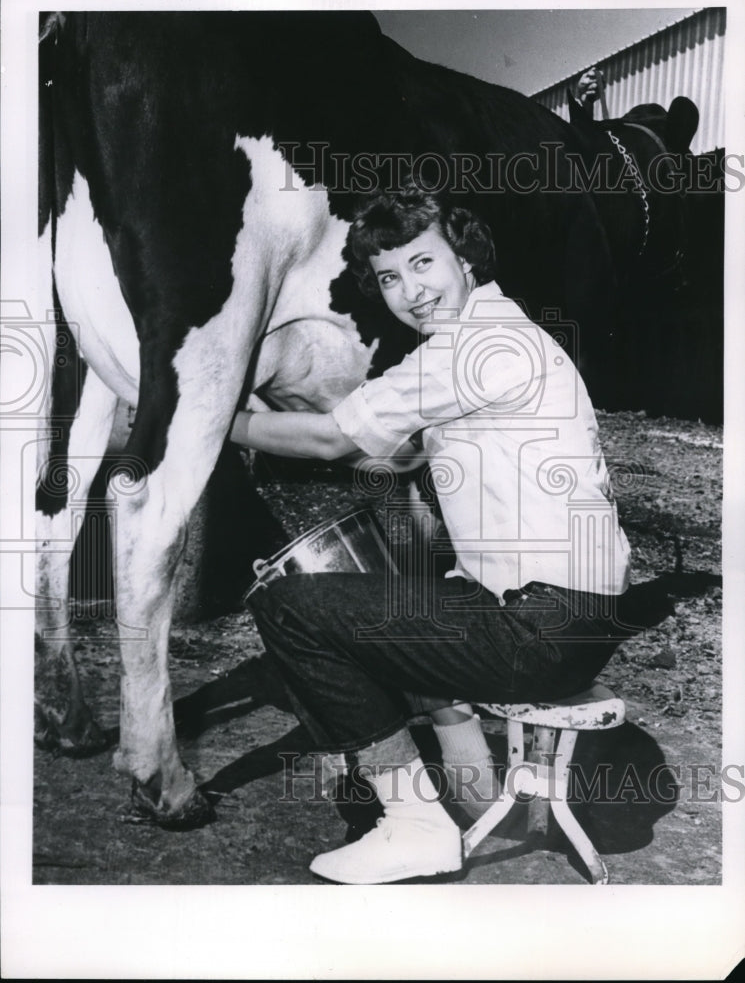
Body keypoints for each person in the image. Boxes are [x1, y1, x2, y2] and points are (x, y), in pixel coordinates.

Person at [230, 185, 631, 884]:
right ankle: (451, 788)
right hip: (567, 615)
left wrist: (213, 419)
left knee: (286, 607)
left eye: (423, 263)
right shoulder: (500, 336)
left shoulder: (474, 347)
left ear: (465, 258)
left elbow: (331, 439)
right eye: (389, 277)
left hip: (542, 625)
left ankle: (412, 825)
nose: (409, 291)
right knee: (381, 600)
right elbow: (399, 454)